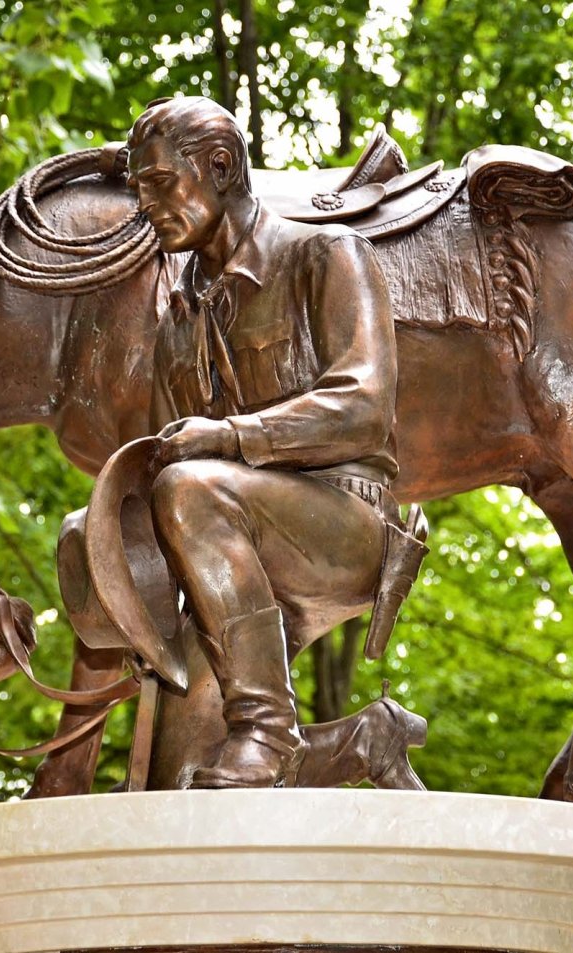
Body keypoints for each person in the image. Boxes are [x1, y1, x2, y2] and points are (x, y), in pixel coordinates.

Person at [126, 96, 403, 788]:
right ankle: (362, 739)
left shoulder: (326, 255)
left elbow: (363, 405)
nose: (147, 206)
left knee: (192, 487)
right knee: (180, 782)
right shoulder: (177, 326)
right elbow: (161, 468)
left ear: (220, 166)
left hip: (346, 520)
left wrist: (229, 436)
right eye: (138, 191)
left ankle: (268, 731)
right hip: (223, 556)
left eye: (160, 183)